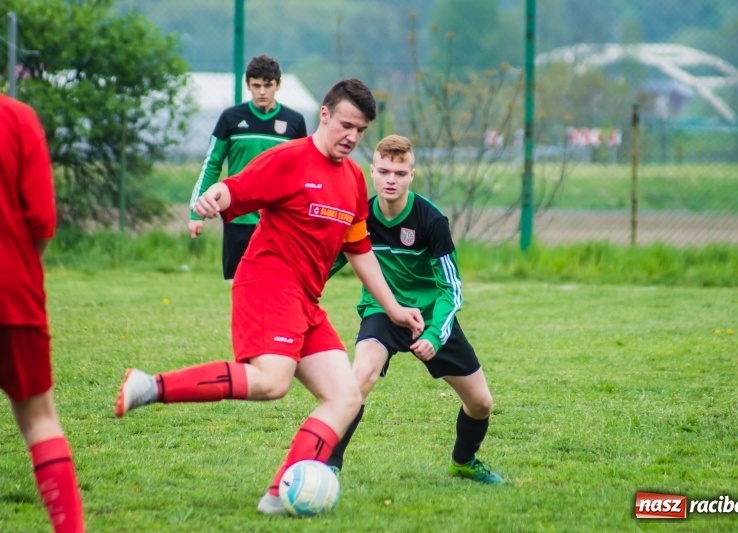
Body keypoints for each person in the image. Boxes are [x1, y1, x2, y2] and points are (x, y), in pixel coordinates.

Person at [114, 80, 424, 516]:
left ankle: (280, 494)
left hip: (306, 300)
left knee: (347, 397)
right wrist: (211, 200)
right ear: (325, 115)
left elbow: (359, 249)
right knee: (272, 381)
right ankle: (151, 386)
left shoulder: (354, 180)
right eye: (346, 125)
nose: (352, 137)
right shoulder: (288, 159)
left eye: (361, 130)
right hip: (267, 282)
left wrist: (392, 308)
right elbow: (234, 190)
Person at [326, 134, 505, 485]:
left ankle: (464, 462)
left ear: (412, 175)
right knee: (360, 376)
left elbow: (450, 289)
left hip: (429, 317)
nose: (391, 179)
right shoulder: (357, 216)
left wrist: (436, 336)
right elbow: (323, 264)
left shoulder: (431, 221)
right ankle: (328, 464)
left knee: (481, 403)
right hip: (381, 310)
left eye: (400, 172)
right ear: (372, 173)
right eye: (384, 171)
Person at [0, 94, 86, 532]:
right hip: (14, 293)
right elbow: (42, 222)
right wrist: (20, 269)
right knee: (39, 419)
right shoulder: (17, 118)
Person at [188, 54, 307, 280]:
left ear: (278, 85)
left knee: (277, 283)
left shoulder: (294, 122)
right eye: (256, 86)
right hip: (239, 218)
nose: (262, 91)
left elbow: (302, 173)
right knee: (239, 284)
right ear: (248, 86)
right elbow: (211, 166)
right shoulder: (231, 119)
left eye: (268, 85)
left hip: (278, 220)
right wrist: (196, 212)